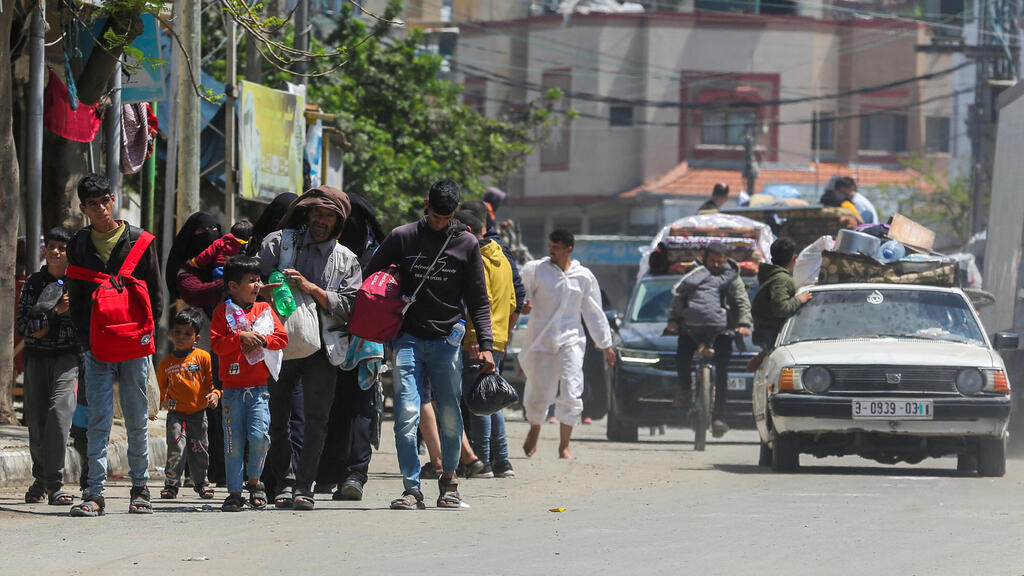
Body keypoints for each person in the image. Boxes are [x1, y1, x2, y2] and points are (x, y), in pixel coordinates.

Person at [366, 178, 495, 510]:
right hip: (407, 339)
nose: (439, 222)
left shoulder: (466, 243)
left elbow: (479, 300)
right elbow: (371, 278)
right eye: (435, 215)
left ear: (454, 212)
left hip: (446, 343)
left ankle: (449, 482)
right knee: (407, 412)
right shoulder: (402, 236)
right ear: (426, 205)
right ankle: (412, 488)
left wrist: (487, 345)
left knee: (450, 414)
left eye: (445, 216)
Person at [257, 186, 362, 511]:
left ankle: (304, 485)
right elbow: (251, 287)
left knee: (317, 417)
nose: (321, 219)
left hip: (324, 350)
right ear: (307, 213)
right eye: (317, 212)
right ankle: (284, 482)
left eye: (329, 215)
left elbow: (351, 306)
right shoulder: (277, 244)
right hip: (279, 343)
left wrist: (312, 289)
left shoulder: (346, 259)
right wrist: (268, 290)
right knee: (276, 417)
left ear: (337, 222)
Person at [66, 173, 163, 517]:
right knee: (99, 419)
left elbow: (156, 294)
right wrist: (85, 340)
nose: (102, 208)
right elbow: (76, 296)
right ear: (84, 209)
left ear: (113, 199)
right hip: (97, 346)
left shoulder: (140, 240)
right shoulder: (78, 244)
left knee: (137, 418)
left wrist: (147, 338)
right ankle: (95, 493)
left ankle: (141, 488)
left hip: (136, 344)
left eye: (105, 200)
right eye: (93, 204)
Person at [520, 229, 615, 460]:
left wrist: (605, 345)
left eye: (556, 247)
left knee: (572, 389)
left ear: (568, 249)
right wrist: (523, 306)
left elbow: (593, 311)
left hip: (571, 340)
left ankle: (564, 446)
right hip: (541, 339)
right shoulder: (536, 270)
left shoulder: (583, 276)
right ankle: (535, 427)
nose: (551, 250)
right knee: (539, 392)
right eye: (550, 246)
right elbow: (521, 294)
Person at [210, 256, 289, 512]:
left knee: (259, 437)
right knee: (233, 445)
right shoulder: (222, 312)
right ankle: (234, 492)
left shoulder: (264, 310)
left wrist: (264, 341)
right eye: (251, 281)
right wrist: (239, 337)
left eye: (258, 280)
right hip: (232, 392)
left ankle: (255, 482)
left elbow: (282, 338)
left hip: (259, 390)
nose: (257, 286)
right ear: (233, 286)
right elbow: (216, 345)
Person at [16, 226, 79, 506]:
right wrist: (55, 313)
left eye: (62, 248)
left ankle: (55, 483)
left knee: (58, 414)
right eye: (52, 246)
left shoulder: (79, 284)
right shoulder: (33, 283)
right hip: (36, 357)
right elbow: (25, 327)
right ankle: (40, 479)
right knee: (38, 422)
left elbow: (86, 325)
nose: (56, 252)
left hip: (67, 358)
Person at [166, 211, 227, 487]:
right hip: (193, 350)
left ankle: (221, 471)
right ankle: (195, 472)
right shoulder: (185, 271)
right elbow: (197, 293)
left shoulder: (225, 266)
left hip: (225, 348)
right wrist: (231, 284)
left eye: (216, 229)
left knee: (221, 406)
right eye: (203, 231)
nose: (210, 235)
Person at [665, 243, 752, 439]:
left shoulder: (732, 278)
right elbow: (678, 299)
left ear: (726, 261)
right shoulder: (693, 274)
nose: (716, 265)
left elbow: (741, 301)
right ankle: (685, 389)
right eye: (712, 261)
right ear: (704, 259)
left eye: (720, 262)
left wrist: (744, 324)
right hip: (691, 328)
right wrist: (673, 321)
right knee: (682, 356)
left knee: (722, 371)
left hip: (722, 330)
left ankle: (718, 418)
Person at [455, 211, 518, 478]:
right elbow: (512, 301)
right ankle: (502, 461)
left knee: (478, 401)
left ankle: (482, 461)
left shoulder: (477, 258)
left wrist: (477, 339)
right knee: (491, 397)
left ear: (469, 229)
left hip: (479, 340)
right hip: (498, 337)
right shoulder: (502, 257)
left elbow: (480, 301)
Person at [155, 307, 219, 500]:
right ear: (171, 333)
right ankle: (171, 484)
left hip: (198, 415)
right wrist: (154, 408)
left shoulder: (203, 358)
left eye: (187, 334)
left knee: (199, 450)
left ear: (196, 338)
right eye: (178, 332)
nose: (181, 337)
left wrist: (215, 394)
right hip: (175, 415)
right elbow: (160, 389)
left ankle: (201, 482)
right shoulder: (166, 363)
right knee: (176, 448)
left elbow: (213, 383)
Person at [751, 237, 813, 350]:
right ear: (794, 258)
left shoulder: (772, 276)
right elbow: (781, 309)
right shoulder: (782, 279)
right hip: (774, 335)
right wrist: (800, 299)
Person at [189, 219, 254, 271]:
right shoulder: (246, 246)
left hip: (219, 270)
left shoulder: (220, 242)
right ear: (249, 237)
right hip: (237, 272)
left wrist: (195, 262)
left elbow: (207, 254)